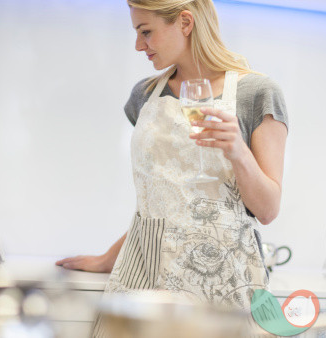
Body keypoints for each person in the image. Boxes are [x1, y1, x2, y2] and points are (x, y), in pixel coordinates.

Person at [56, 0, 288, 335]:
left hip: (221, 283)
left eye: (146, 32)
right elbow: (165, 204)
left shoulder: (257, 93)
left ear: (185, 22)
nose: (139, 45)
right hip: (142, 277)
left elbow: (267, 209)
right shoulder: (145, 95)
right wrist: (108, 258)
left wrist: (238, 150)